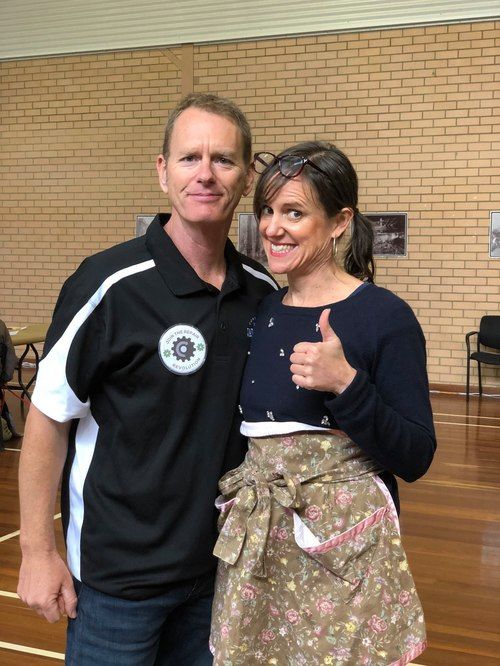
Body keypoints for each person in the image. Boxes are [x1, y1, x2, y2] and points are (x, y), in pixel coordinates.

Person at [17, 93, 277, 665]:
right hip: (118, 581)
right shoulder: (109, 283)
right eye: (189, 158)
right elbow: (47, 419)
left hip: (221, 570)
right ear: (163, 172)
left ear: (246, 177)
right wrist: (37, 550)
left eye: (223, 159)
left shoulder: (263, 292)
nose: (205, 174)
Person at [210, 142, 436, 665]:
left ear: (339, 222)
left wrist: (346, 384)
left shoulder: (384, 317)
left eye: (294, 212)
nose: (273, 228)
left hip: (344, 555)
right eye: (267, 211)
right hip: (260, 544)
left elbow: (416, 455)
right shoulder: (261, 309)